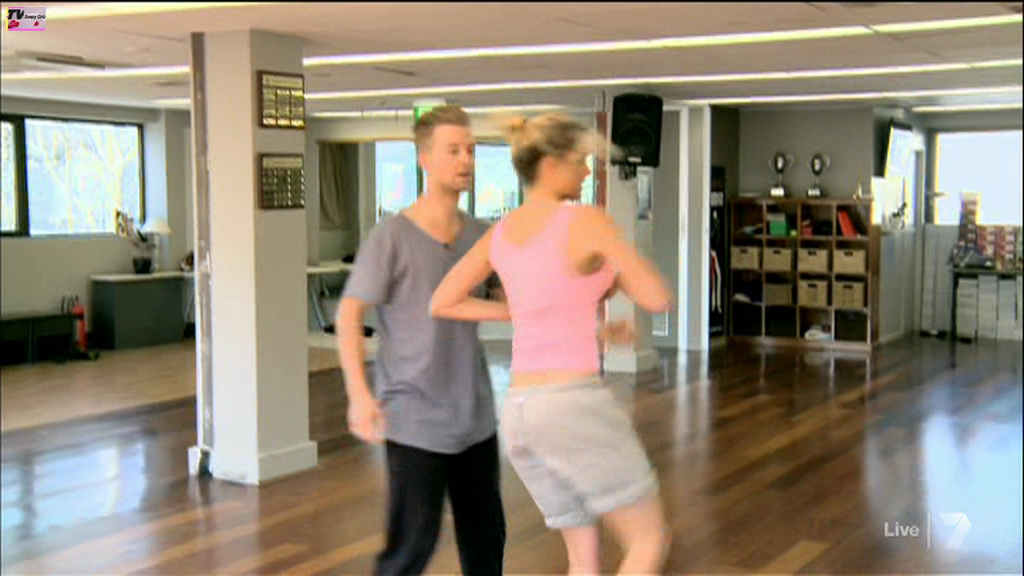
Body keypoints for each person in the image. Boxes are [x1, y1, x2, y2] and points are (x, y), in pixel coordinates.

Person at [430, 113, 673, 575]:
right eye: (580, 161)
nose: (586, 171)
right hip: (572, 406)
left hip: (521, 415)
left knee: (582, 558)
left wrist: (520, 312)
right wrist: (620, 255)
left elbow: (443, 300)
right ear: (549, 165)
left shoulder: (503, 231)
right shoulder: (587, 220)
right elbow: (657, 298)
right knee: (648, 539)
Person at [335, 105, 506, 576]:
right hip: (414, 417)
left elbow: (513, 297)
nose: (466, 159)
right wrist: (359, 395)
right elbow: (349, 313)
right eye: (453, 150)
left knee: (486, 546)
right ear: (424, 159)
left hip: (475, 417)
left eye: (470, 150)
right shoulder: (390, 237)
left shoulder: (482, 235)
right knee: (410, 550)